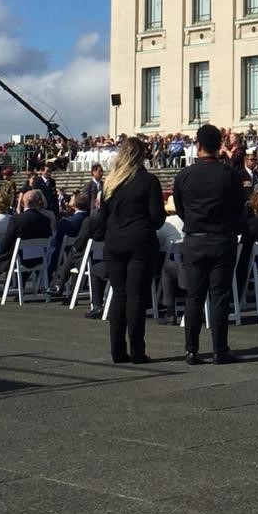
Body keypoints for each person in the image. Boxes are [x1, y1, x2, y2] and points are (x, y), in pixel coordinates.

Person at [172, 123, 245, 365]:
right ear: (218, 146)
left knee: (194, 296)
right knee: (219, 296)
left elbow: (180, 208)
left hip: (194, 238)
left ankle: (191, 349)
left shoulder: (184, 175)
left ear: (198, 145)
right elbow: (238, 208)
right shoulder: (230, 175)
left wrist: (194, 222)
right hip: (221, 238)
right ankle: (219, 349)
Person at [98, 136, 165, 364]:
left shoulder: (110, 183)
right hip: (140, 241)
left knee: (119, 294)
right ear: (142, 155)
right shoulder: (148, 181)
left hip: (114, 242)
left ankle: (117, 349)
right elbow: (157, 218)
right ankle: (137, 350)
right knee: (136, 295)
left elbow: (102, 217)